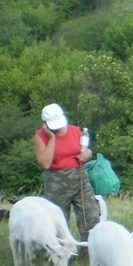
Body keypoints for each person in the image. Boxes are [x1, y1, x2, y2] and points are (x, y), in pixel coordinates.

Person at [33, 103, 100, 245]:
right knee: (59, 220)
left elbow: (85, 149)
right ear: (45, 124)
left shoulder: (75, 130)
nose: (58, 128)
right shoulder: (40, 136)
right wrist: (51, 138)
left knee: (91, 215)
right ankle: (62, 254)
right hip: (56, 182)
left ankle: (89, 251)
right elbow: (45, 163)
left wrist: (88, 153)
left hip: (79, 178)